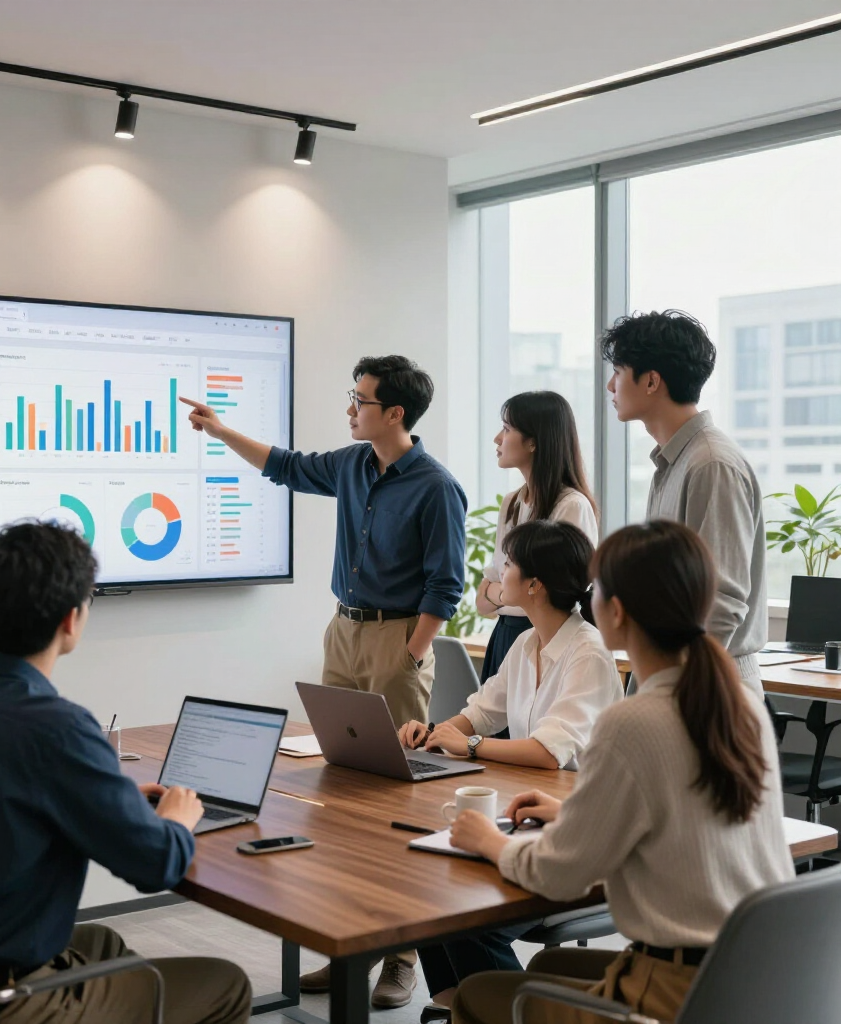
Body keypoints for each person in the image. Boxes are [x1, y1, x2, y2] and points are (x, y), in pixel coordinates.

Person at [182, 355, 467, 1009]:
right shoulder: (350, 464)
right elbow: (285, 465)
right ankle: (354, 952)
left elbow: (444, 584)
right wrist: (222, 431)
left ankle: (401, 956)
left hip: (397, 641)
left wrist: (410, 655)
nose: (351, 407)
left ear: (395, 413)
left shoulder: (436, 486)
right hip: (343, 631)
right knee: (341, 791)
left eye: (361, 399)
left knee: (394, 804)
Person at [0, 522, 251, 1024]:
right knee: (225, 983)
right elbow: (157, 866)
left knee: (101, 939)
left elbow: (14, 791)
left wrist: (111, 793)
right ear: (71, 619)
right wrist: (177, 819)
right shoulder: (57, 727)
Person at [444, 520, 793, 1024]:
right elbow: (686, 814)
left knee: (477, 994)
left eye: (597, 586)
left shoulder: (632, 722)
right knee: (552, 962)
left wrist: (486, 839)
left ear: (618, 610)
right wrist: (573, 812)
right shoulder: (740, 703)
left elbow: (556, 874)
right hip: (752, 977)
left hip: (676, 994)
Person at [398, 520, 622, 1020]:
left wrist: (471, 746)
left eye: (510, 567)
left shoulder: (587, 653)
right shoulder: (526, 645)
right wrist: (435, 730)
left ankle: (509, 1011)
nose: (501, 575)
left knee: (467, 917)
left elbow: (549, 751)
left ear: (534, 586)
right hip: (526, 812)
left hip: (574, 825)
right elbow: (482, 709)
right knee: (431, 897)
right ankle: (464, 1006)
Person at [602, 309, 767, 693]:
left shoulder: (711, 464)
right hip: (673, 676)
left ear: (651, 381)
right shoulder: (674, 460)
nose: (611, 386)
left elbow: (721, 601)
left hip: (704, 685)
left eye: (619, 372)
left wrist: (673, 690)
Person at [475, 392, 599, 682]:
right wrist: (513, 592)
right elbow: (481, 601)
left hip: (546, 640)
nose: (497, 438)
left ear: (534, 441)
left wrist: (499, 592)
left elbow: (554, 596)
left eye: (506, 429)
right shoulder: (512, 503)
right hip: (505, 634)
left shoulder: (570, 505)